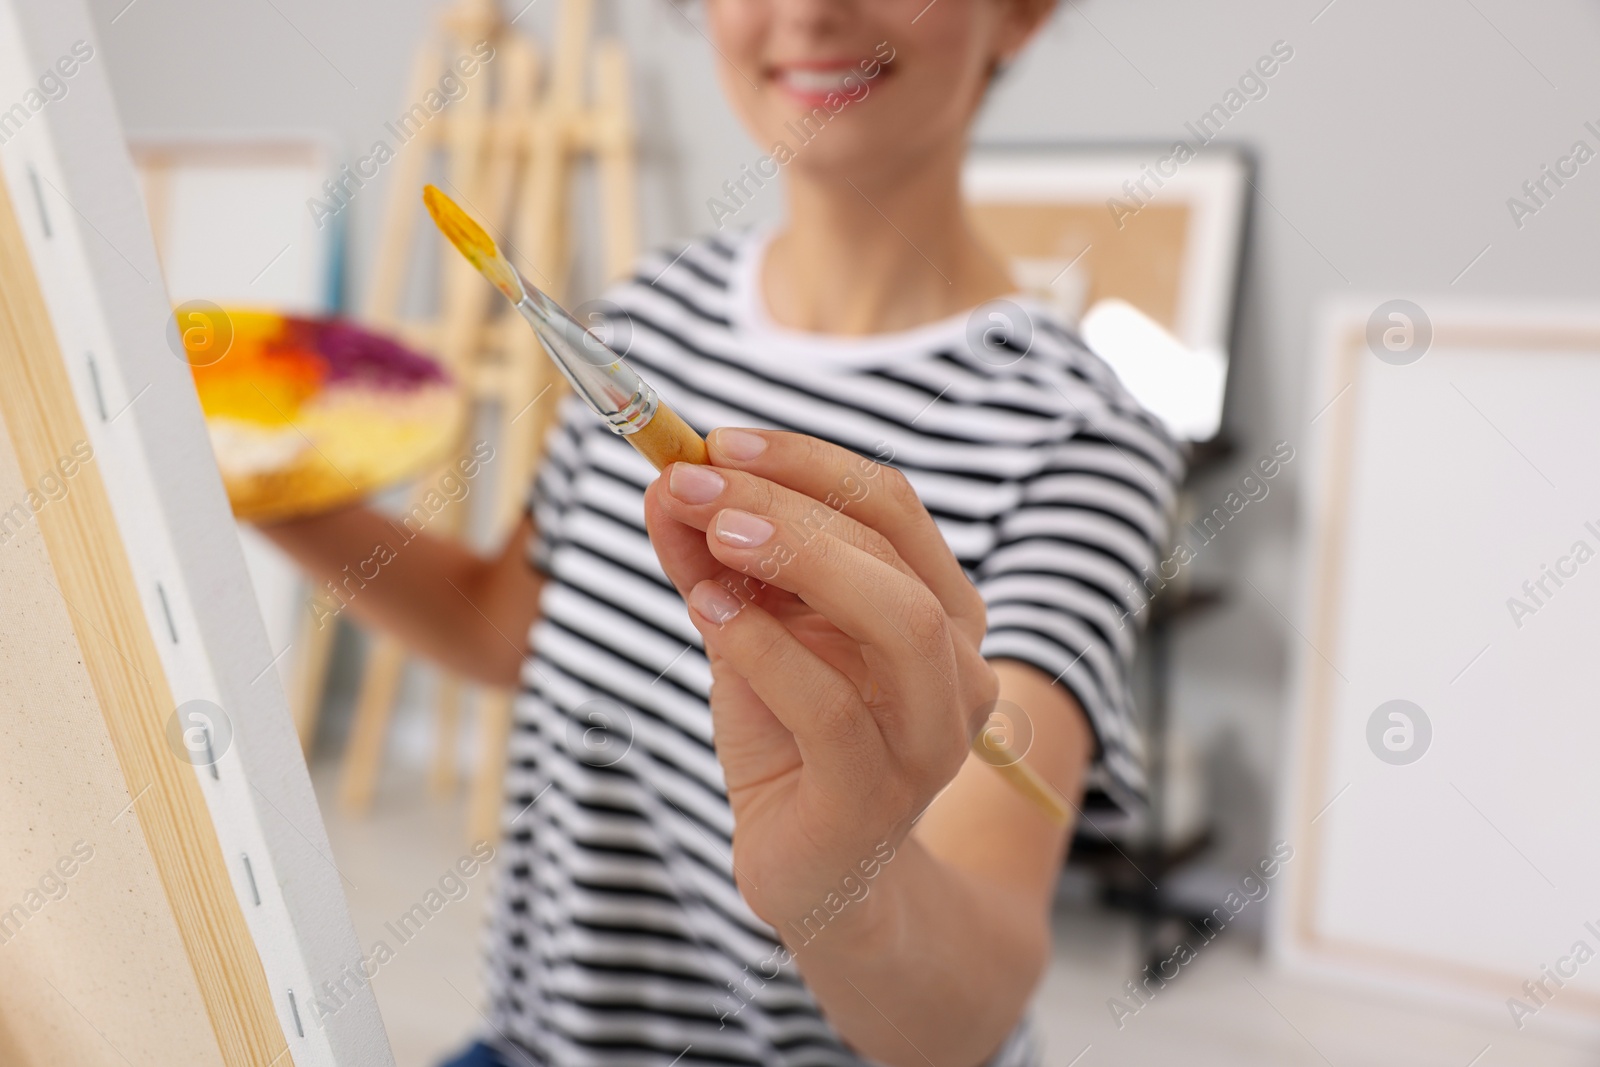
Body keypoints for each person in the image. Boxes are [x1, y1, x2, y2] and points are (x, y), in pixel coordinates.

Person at [264, 1, 1181, 1063]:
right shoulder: (647, 312)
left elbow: (967, 1010)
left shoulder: (1076, 439)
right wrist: (262, 488)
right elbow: (503, 624)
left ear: (1019, 15)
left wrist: (840, 883)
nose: (805, 10)